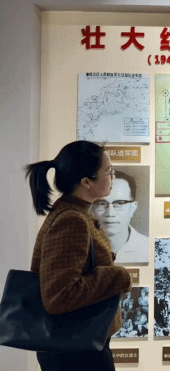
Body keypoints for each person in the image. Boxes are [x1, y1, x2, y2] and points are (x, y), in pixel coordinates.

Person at [27, 141, 132, 371]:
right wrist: (117, 277)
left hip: (78, 344)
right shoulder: (71, 220)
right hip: (77, 353)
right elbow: (59, 296)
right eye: (108, 172)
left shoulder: (73, 212)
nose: (112, 177)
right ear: (86, 182)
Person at [92, 170, 148, 263]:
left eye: (119, 203)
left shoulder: (148, 249)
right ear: (93, 208)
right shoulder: (79, 249)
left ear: (132, 208)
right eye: (102, 203)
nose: (110, 213)